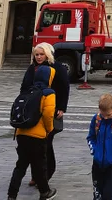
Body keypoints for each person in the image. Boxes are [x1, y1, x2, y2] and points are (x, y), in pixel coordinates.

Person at [20, 43, 70, 186]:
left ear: (47, 54)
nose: (39, 57)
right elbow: (24, 87)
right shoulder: (32, 69)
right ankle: (36, 175)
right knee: (33, 145)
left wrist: (61, 108)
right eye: (37, 54)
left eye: (42, 54)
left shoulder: (57, 67)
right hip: (33, 111)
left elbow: (64, 88)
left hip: (50, 110)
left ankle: (45, 175)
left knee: (45, 145)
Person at [8, 64, 57, 200]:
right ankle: (45, 192)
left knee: (21, 165)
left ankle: (11, 195)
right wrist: (49, 129)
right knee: (39, 165)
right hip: (37, 135)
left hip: (21, 133)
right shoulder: (48, 93)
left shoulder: (27, 91)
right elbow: (48, 114)